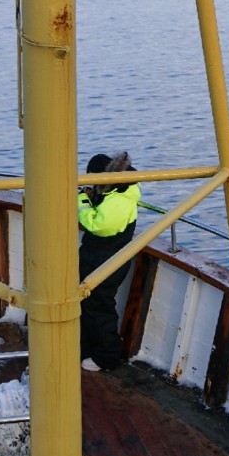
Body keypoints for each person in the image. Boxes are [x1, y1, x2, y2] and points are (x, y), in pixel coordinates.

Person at [77, 152, 141, 371]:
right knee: (88, 304)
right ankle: (85, 348)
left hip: (105, 260)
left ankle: (107, 357)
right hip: (99, 257)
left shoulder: (119, 199)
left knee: (99, 306)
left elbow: (99, 226)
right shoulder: (115, 189)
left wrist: (82, 201)